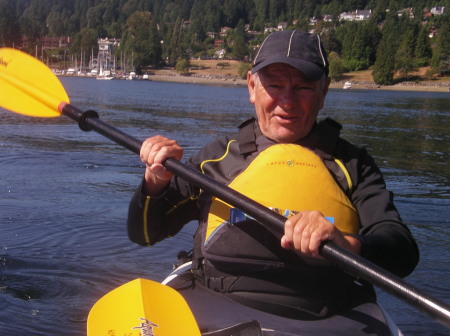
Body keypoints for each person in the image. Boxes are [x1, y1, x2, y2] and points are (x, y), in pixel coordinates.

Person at [127, 30, 419, 334]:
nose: (287, 101)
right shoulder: (216, 158)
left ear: (324, 92)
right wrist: (155, 182)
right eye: (274, 86)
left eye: (303, 87)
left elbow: (401, 252)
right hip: (215, 300)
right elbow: (144, 233)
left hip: (327, 313)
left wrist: (347, 243)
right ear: (252, 87)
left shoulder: (353, 166)